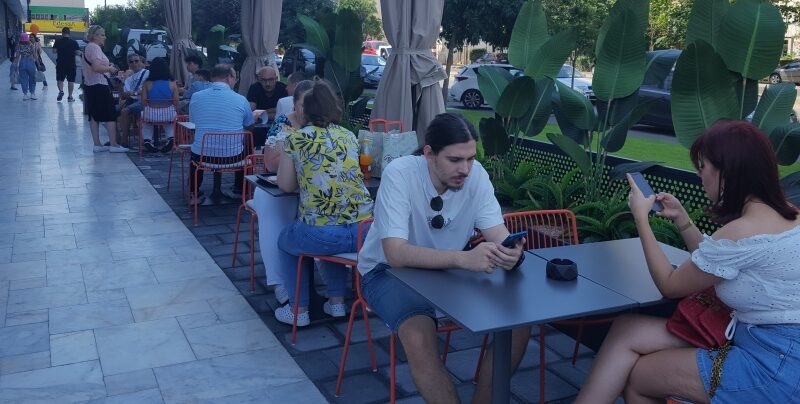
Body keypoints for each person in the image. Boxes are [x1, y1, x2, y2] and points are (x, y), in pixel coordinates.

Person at [576, 120, 800, 404]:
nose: (699, 174)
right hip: (768, 343)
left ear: (727, 173)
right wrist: (682, 219)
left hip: (774, 366)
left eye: (703, 166)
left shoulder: (742, 230)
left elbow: (670, 285)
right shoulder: (789, 214)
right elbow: (715, 261)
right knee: (627, 328)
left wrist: (641, 218)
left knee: (640, 377)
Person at [356, 112, 529, 403]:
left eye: (470, 158)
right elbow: (395, 253)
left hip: (448, 271)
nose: (465, 169)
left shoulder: (476, 176)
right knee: (419, 336)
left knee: (519, 322)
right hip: (386, 272)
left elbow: (497, 232)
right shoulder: (401, 173)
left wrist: (510, 250)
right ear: (429, 154)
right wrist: (464, 259)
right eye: (455, 160)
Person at [272, 80, 373, 326]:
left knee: (286, 240)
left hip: (322, 235)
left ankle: (298, 310)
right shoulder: (348, 136)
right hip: (365, 231)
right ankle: (336, 303)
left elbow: (285, 186)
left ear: (303, 109)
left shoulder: (296, 139)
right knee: (333, 237)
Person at [188, 64, 255, 205]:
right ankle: (240, 189)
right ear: (229, 78)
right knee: (247, 143)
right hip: (233, 157)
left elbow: (193, 121)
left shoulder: (196, 96)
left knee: (195, 150)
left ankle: (194, 192)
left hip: (202, 156)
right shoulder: (241, 99)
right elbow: (249, 124)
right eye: (235, 79)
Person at [82, 25, 128, 153]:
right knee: (110, 114)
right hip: (99, 84)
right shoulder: (95, 48)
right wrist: (109, 68)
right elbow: (96, 67)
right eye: (102, 35)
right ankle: (114, 144)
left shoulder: (88, 47)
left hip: (90, 85)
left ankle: (97, 144)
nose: (105, 37)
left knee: (94, 115)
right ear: (95, 36)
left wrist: (107, 66)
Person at [140, 57, 179, 152]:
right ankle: (171, 138)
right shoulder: (172, 83)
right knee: (169, 122)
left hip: (151, 115)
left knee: (146, 121)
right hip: (168, 114)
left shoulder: (147, 83)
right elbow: (176, 102)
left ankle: (147, 140)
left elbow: (143, 102)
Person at [117, 54, 149, 146]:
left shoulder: (147, 73)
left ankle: (124, 141)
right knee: (110, 112)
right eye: (131, 62)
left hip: (144, 101)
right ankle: (116, 140)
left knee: (125, 111)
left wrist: (134, 93)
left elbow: (148, 89)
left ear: (141, 62)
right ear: (129, 64)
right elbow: (124, 95)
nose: (134, 63)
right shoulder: (128, 79)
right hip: (132, 101)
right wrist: (120, 84)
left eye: (136, 61)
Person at [53, 27, 80, 102]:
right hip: (71, 64)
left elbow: (54, 51)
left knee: (60, 79)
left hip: (60, 63)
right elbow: (78, 52)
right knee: (71, 81)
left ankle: (61, 91)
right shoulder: (74, 42)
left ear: (62, 33)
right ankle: (70, 97)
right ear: (69, 33)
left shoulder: (58, 41)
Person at [14, 33, 37, 100]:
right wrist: (36, 61)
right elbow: (35, 55)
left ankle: (25, 94)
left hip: (22, 62)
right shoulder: (31, 44)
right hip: (31, 62)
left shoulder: (18, 45)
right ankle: (32, 94)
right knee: (32, 78)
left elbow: (17, 56)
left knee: (23, 79)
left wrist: (15, 65)